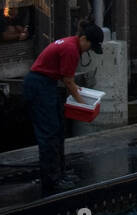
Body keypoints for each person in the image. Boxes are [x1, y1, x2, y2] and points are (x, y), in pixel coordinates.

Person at [24, 21, 103, 194]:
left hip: (47, 83)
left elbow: (65, 77)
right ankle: (51, 180)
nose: (88, 50)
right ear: (83, 38)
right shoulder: (71, 50)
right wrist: (82, 103)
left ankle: (59, 174)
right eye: (90, 46)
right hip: (39, 85)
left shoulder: (69, 43)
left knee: (59, 129)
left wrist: (76, 89)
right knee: (49, 133)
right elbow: (68, 81)